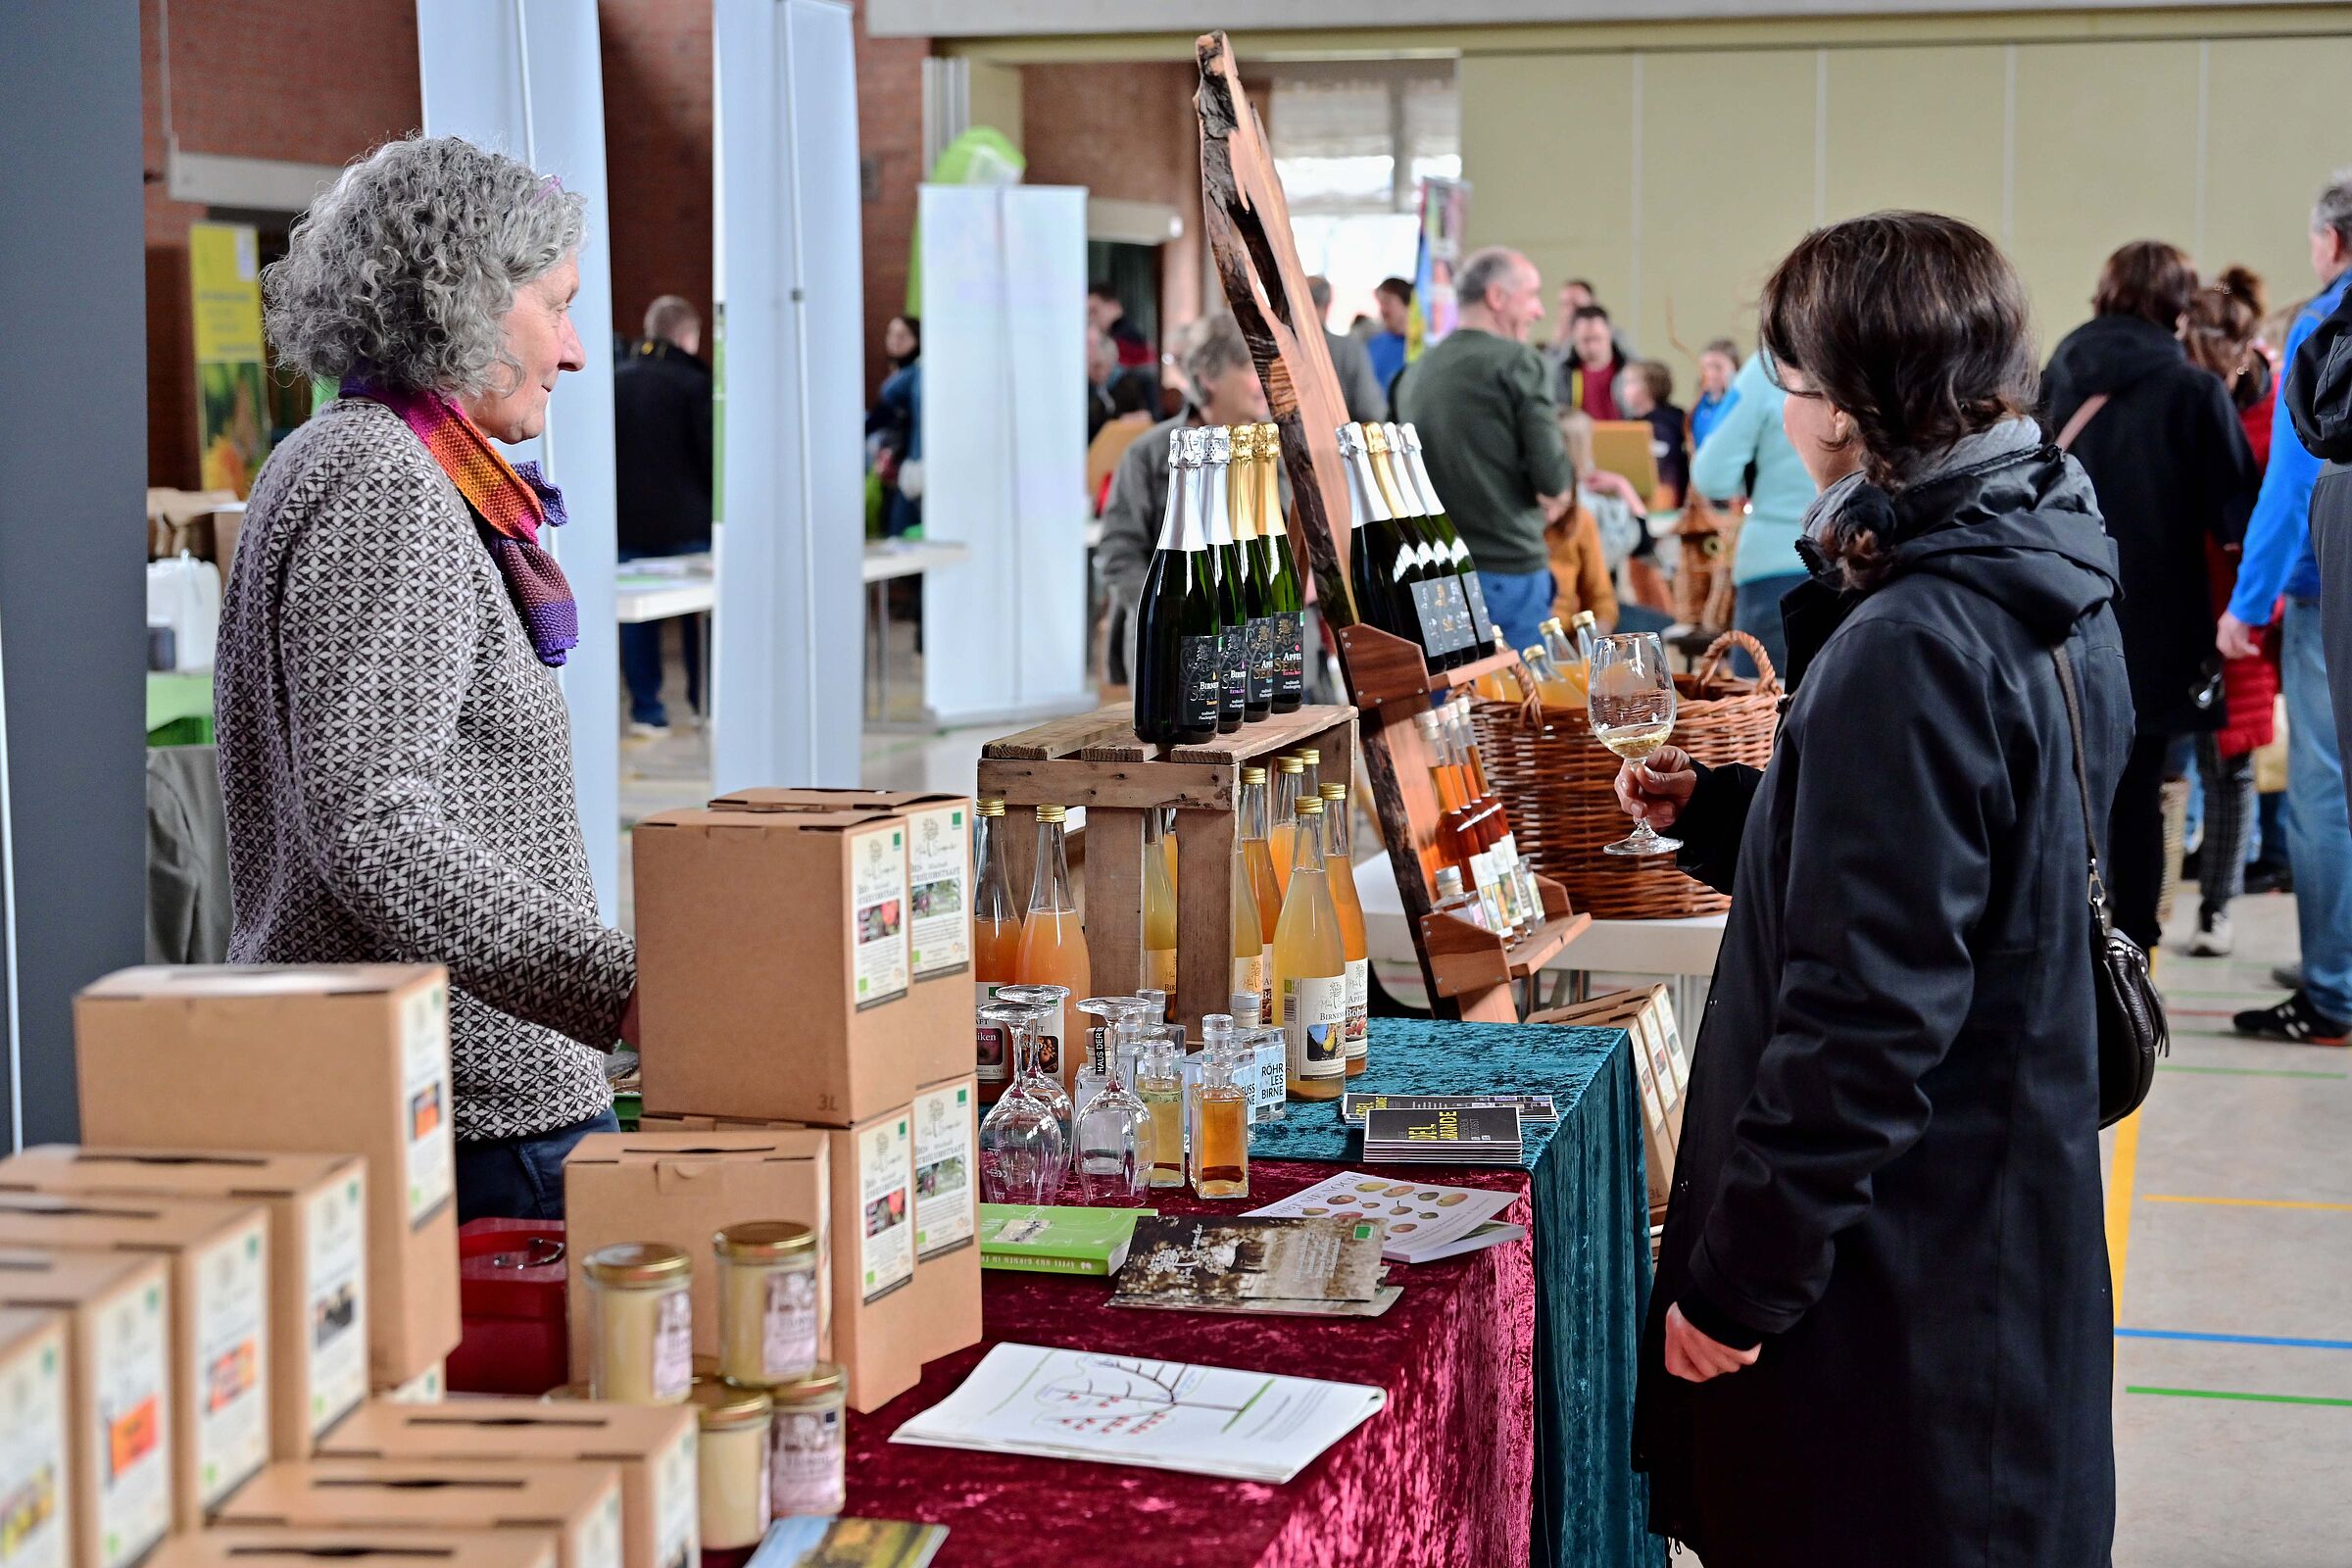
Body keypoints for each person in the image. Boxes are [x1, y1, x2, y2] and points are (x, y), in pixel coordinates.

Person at [1620, 211, 2126, 1564]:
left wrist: (1736, 1286)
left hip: (1901, 1294)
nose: (1785, 416)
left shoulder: (1914, 637)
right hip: (1998, 1231)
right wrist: (1747, 814)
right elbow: (1975, 864)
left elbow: (1869, 1021)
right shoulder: (2047, 569)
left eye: (1787, 385)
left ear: (1841, 406)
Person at [222, 135, 636, 1224]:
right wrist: (616, 986)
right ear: (466, 301)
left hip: (438, 1098)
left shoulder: (352, 458)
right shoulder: (384, 479)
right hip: (475, 1116)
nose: (580, 350)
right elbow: (371, 820)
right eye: (558, 305)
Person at [2040, 241, 2260, 955]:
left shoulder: (2056, 372)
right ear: (2176, 303)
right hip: (2156, 624)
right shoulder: (2193, 391)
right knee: (2138, 793)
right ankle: (2130, 953)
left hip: (2053, 610)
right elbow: (2237, 518)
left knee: (2060, 782)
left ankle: (2057, 939)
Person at [2218, 170, 2352, 1044]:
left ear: (2332, 242)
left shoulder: (2328, 326)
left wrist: (2246, 603)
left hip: (2324, 587)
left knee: (2324, 789)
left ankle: (2333, 989)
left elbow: (2289, 485)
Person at [1391, 246, 1575, 655]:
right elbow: (1553, 480)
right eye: (1532, 295)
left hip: (1433, 574)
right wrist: (1559, 492)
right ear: (1496, 297)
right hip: (1507, 569)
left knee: (1451, 706)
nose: (1540, 311)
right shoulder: (1518, 363)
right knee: (1517, 709)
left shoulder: (1413, 373)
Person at [2178, 269, 2281, 955]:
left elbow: (2277, 521)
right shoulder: (2182, 396)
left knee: (2229, 759)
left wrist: (2254, 607)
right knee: (2170, 760)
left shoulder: (2274, 413)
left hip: (2242, 605)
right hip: (2183, 595)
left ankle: (2218, 907)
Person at [1098, 316, 1270, 685]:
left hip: (1260, 649)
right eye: (1250, 369)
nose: (1263, 384)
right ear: (1209, 377)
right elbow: (1117, 550)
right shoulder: (1150, 453)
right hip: (1170, 654)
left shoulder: (1274, 457)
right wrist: (1170, 607)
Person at [614, 294, 715, 736]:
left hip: (628, 522)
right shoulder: (695, 384)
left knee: (636, 619)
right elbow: (711, 457)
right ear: (688, 336)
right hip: (688, 523)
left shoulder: (616, 380)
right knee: (701, 617)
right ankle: (705, 703)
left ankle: (646, 710)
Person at [1690, 346, 1820, 680]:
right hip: (1879, 572)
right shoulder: (1890, 347)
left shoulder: (1771, 365)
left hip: (1776, 566)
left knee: (1766, 723)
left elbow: (1711, 474)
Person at [870, 314, 922, 539]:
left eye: (903, 335)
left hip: (910, 465)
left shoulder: (912, 376)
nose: (895, 340)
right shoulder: (901, 374)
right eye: (891, 334)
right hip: (898, 467)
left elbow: (879, 418)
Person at [1307, 274, 1386, 423]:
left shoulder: (1275, 347)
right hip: (1335, 440)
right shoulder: (1348, 349)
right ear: (1327, 305)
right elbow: (1369, 409)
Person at [1616, 358, 1690, 502]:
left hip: (1664, 497)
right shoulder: (1631, 422)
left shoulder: (1664, 425)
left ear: (1650, 388)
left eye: (1631, 383)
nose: (1624, 390)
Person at [1559, 305, 1628, 420]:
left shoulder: (1630, 371)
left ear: (1610, 333)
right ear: (1573, 337)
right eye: (1585, 340)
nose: (1592, 346)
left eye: (1597, 339)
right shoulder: (1561, 374)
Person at [1689, 337, 1741, 449]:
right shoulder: (1701, 403)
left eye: (1718, 367)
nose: (1710, 374)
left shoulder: (1741, 404)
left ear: (1735, 369)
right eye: (1706, 367)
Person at [1088, 281, 1152, 369]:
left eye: (1094, 311)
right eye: (1088, 314)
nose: (1091, 318)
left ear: (1113, 306)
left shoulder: (1124, 339)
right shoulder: (1127, 333)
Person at [1366, 276, 1412, 395]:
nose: (1383, 310)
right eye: (1380, 303)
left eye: (1387, 302)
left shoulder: (1420, 347)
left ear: (1406, 304)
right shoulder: (1373, 345)